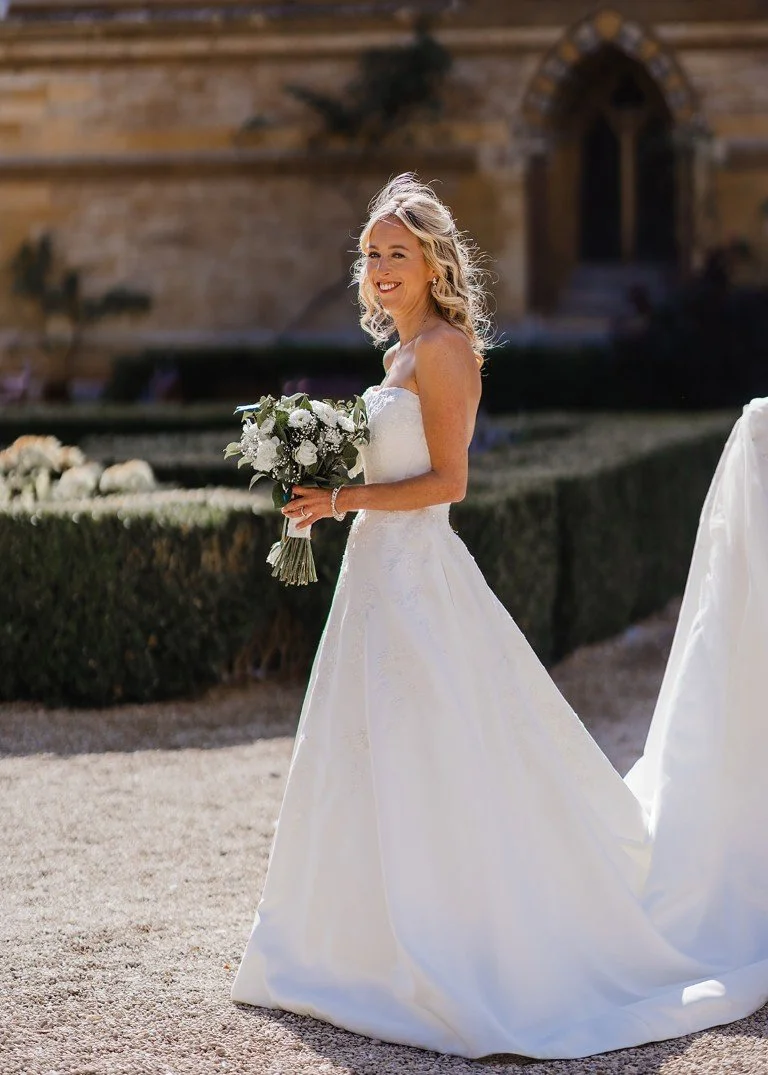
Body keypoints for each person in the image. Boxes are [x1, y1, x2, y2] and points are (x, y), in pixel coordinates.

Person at [231, 174, 768, 1060]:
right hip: (376, 576)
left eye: (397, 252)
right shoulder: (396, 358)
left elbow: (450, 482)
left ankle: (457, 944)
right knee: (368, 747)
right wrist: (329, 489)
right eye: (370, 254)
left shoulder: (444, 350)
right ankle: (362, 943)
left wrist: (340, 497)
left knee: (438, 748)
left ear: (434, 262)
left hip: (419, 577)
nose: (380, 266)